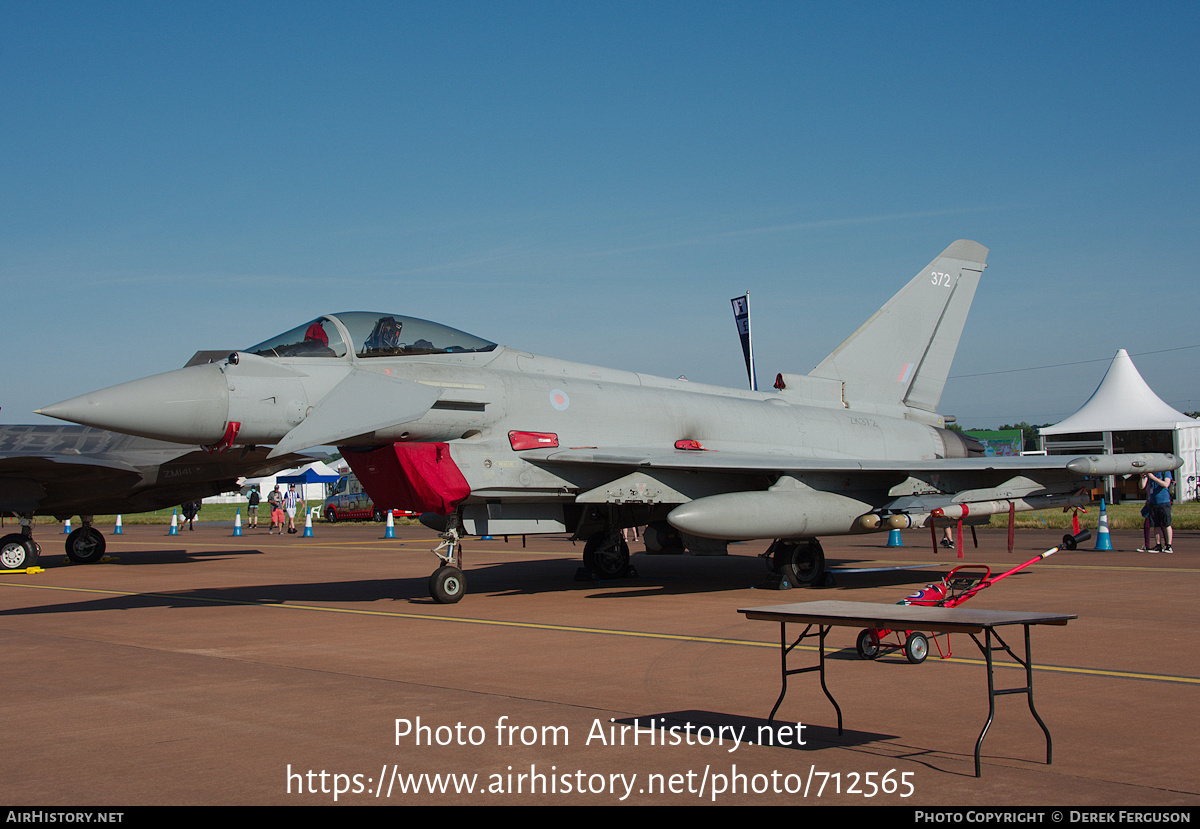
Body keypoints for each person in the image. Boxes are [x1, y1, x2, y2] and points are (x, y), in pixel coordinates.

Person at [1144, 470, 1174, 553]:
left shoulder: (1165, 472)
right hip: (1153, 502)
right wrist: (1143, 478)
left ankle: (1169, 545)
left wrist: (1153, 478)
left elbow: (1166, 484)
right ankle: (1158, 545)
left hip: (1164, 502)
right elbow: (1143, 486)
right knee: (1155, 525)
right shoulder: (1151, 473)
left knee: (1166, 524)